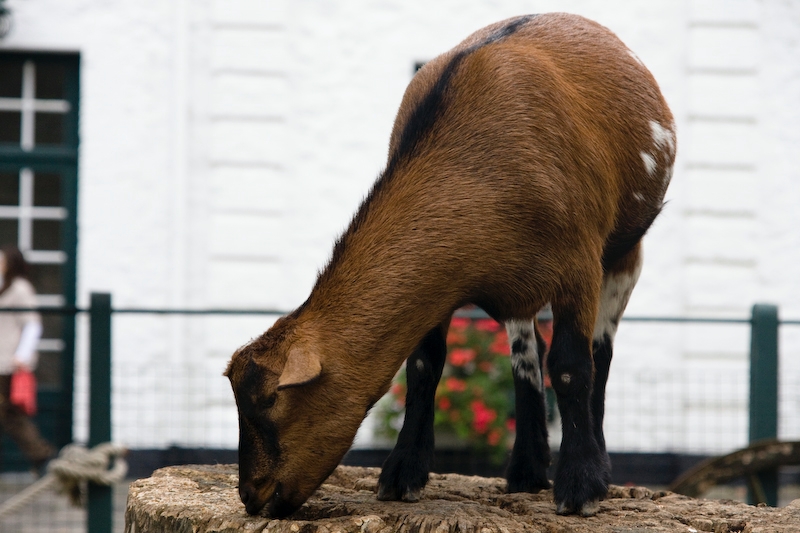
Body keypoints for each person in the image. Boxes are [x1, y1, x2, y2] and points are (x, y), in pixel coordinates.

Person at [0, 245, 55, 473]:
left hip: (8, 365)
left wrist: (22, 355)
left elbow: (31, 325)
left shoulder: (20, 289)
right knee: (11, 415)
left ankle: (42, 455)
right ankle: (41, 456)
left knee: (12, 415)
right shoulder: (4, 287)